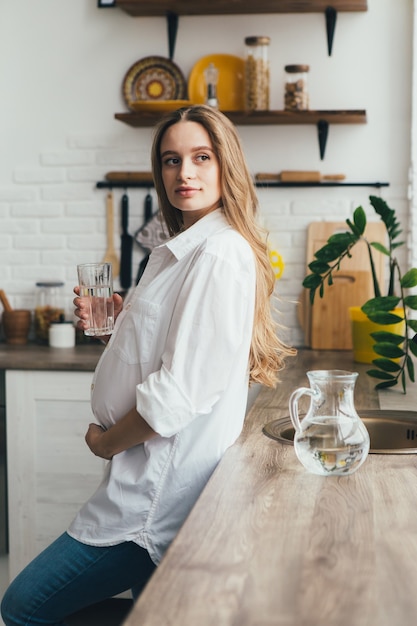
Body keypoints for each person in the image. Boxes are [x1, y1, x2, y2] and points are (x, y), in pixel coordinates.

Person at [1, 105, 295, 625]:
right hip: (141, 482)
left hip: (153, 498)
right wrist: (119, 324)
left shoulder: (218, 254)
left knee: (24, 608)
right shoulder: (176, 250)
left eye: (201, 157)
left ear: (225, 163)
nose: (185, 173)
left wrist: (103, 443)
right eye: (171, 159)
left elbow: (179, 393)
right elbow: (169, 351)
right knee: (150, 614)